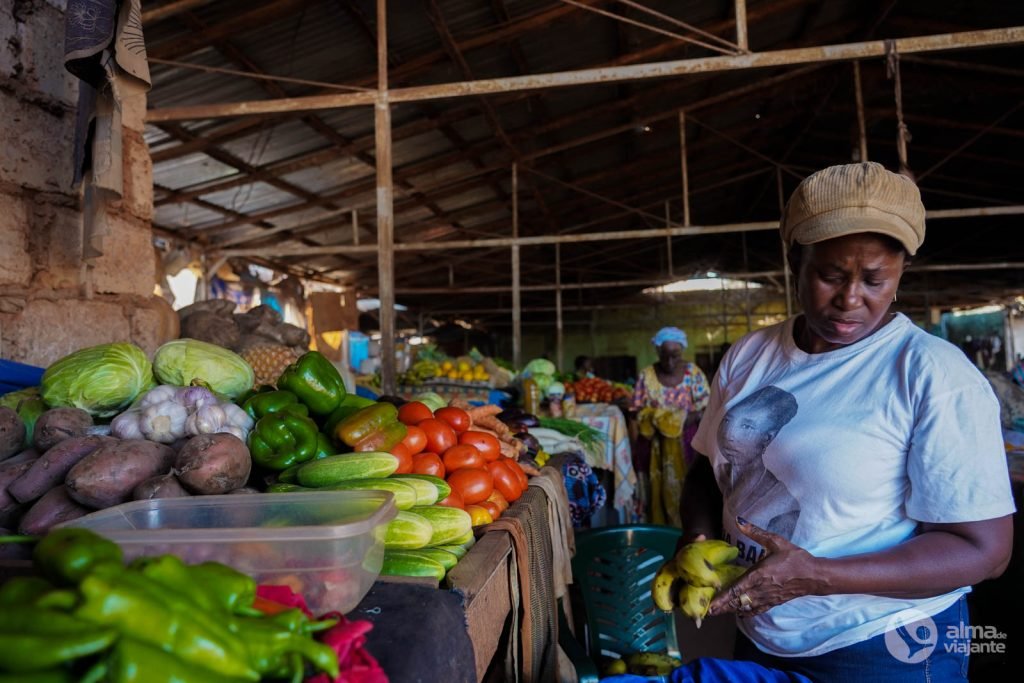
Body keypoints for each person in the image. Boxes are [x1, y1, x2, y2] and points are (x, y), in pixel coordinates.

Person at [681, 162, 1015, 681]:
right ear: (795, 260)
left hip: (883, 645)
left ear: (901, 271)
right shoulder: (751, 352)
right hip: (762, 630)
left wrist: (817, 577)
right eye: (830, 275)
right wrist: (698, 539)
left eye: (874, 279)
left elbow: (985, 550)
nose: (850, 298)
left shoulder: (931, 373)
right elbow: (708, 465)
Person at [631, 326, 710, 526]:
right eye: (664, 355)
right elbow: (636, 411)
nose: (670, 361)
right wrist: (658, 419)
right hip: (653, 447)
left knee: (688, 491)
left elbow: (707, 408)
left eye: (675, 355)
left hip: (688, 443)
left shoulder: (693, 373)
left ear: (682, 350)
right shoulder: (647, 375)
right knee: (655, 495)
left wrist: (684, 418)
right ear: (657, 352)